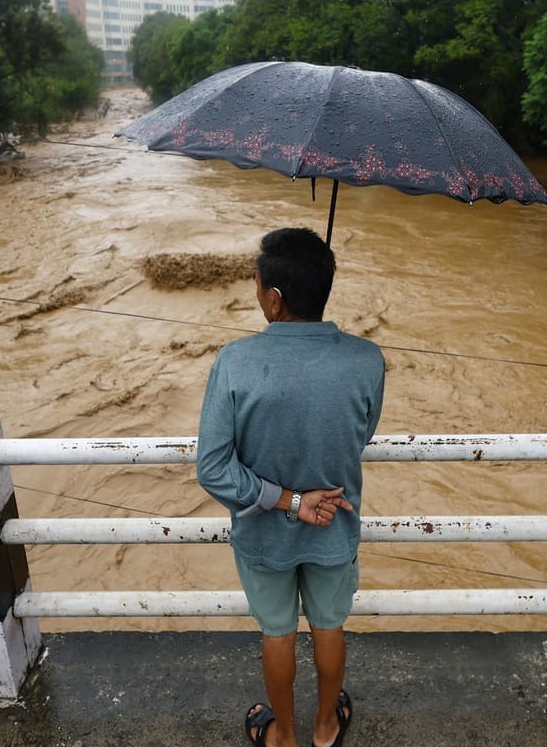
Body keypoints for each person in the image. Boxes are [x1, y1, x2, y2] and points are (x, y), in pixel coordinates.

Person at [196, 227, 385, 747]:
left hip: (264, 534)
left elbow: (212, 468)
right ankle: (326, 727)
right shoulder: (367, 359)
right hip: (335, 523)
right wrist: (308, 494)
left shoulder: (235, 361)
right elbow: (359, 436)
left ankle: (283, 734)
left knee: (277, 633)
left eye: (258, 287)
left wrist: (287, 500)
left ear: (274, 300)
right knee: (329, 626)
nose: (257, 296)